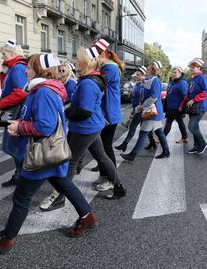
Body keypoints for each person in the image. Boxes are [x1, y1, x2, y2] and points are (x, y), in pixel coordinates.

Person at [0, 54, 95, 256]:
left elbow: (45, 126)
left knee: (21, 198)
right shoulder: (43, 89)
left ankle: (6, 239)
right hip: (51, 153)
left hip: (41, 154)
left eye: (30, 67)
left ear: (40, 70)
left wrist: (20, 127)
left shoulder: (43, 93)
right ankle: (87, 217)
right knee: (64, 184)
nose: (25, 70)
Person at [39, 47, 126, 211]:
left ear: (86, 63)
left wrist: (66, 111)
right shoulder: (89, 79)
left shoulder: (87, 83)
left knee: (70, 162)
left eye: (78, 60)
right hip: (91, 126)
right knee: (102, 156)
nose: (75, 62)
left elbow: (84, 112)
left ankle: (60, 196)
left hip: (85, 127)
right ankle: (119, 186)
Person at [121, 61, 170, 161]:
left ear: (153, 70)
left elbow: (154, 98)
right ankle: (166, 151)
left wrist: (141, 107)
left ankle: (132, 155)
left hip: (152, 112)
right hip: (150, 111)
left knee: (143, 133)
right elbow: (143, 95)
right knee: (160, 133)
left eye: (148, 69)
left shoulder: (155, 81)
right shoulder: (148, 80)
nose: (146, 71)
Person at [91, 37, 124, 173]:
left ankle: (112, 177)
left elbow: (95, 85)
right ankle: (103, 166)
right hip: (106, 111)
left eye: (93, 55)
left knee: (106, 146)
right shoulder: (106, 67)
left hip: (108, 113)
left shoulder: (109, 68)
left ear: (101, 54)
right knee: (101, 145)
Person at [0, 39, 28, 188]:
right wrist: (3, 74)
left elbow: (21, 92)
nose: (2, 57)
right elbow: (8, 88)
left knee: (11, 147)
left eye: (3, 54)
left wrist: (1, 103)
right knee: (11, 147)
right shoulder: (13, 68)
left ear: (11, 53)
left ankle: (25, 174)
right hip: (13, 112)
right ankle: (19, 175)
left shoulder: (17, 68)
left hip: (14, 113)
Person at [114, 66, 147, 152]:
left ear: (144, 75)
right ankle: (153, 142)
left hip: (141, 110)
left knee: (133, 127)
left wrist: (141, 106)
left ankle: (124, 144)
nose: (136, 76)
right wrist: (131, 94)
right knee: (148, 130)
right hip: (135, 108)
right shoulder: (137, 84)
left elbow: (146, 97)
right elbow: (134, 94)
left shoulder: (145, 85)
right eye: (136, 74)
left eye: (138, 75)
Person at [182, 58, 207, 154]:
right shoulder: (193, 78)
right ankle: (196, 146)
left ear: (199, 67)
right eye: (191, 67)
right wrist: (184, 104)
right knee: (195, 127)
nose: (191, 68)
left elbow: (205, 92)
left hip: (199, 107)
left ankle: (202, 144)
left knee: (192, 127)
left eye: (193, 67)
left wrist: (194, 99)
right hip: (192, 107)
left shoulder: (202, 77)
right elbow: (189, 93)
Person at [163, 66, 189, 143]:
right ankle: (185, 137)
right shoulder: (172, 81)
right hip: (170, 106)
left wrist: (181, 106)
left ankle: (162, 138)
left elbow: (185, 96)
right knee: (177, 122)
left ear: (180, 73)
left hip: (177, 107)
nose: (173, 74)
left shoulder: (182, 83)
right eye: (173, 72)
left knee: (170, 122)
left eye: (175, 72)